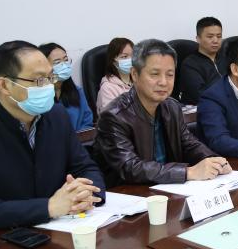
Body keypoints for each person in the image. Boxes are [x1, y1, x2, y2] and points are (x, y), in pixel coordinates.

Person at [0, 41, 105, 233]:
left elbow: (85, 167)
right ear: (5, 85)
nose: (49, 86)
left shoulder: (56, 115)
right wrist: (49, 207)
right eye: (39, 80)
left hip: (61, 230)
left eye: (51, 77)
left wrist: (87, 194)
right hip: (3, 240)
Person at [95, 39, 230, 186]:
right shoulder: (114, 116)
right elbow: (131, 167)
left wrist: (213, 160)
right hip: (129, 193)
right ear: (134, 74)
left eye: (170, 75)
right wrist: (187, 172)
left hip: (168, 188)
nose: (164, 82)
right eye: (155, 74)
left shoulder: (171, 107)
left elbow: (189, 144)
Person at [38, 43, 93, 132]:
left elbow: (87, 121)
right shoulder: (38, 97)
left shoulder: (77, 91)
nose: (64, 65)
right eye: (57, 62)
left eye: (66, 60)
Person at [178, 16, 225, 104]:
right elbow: (201, 96)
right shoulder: (190, 64)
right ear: (198, 39)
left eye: (219, 36)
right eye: (210, 37)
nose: (215, 40)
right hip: (201, 108)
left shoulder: (226, 59)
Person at [97, 37, 134, 114]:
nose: (130, 60)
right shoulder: (107, 88)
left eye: (133, 55)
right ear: (113, 62)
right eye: (124, 57)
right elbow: (112, 117)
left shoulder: (140, 81)